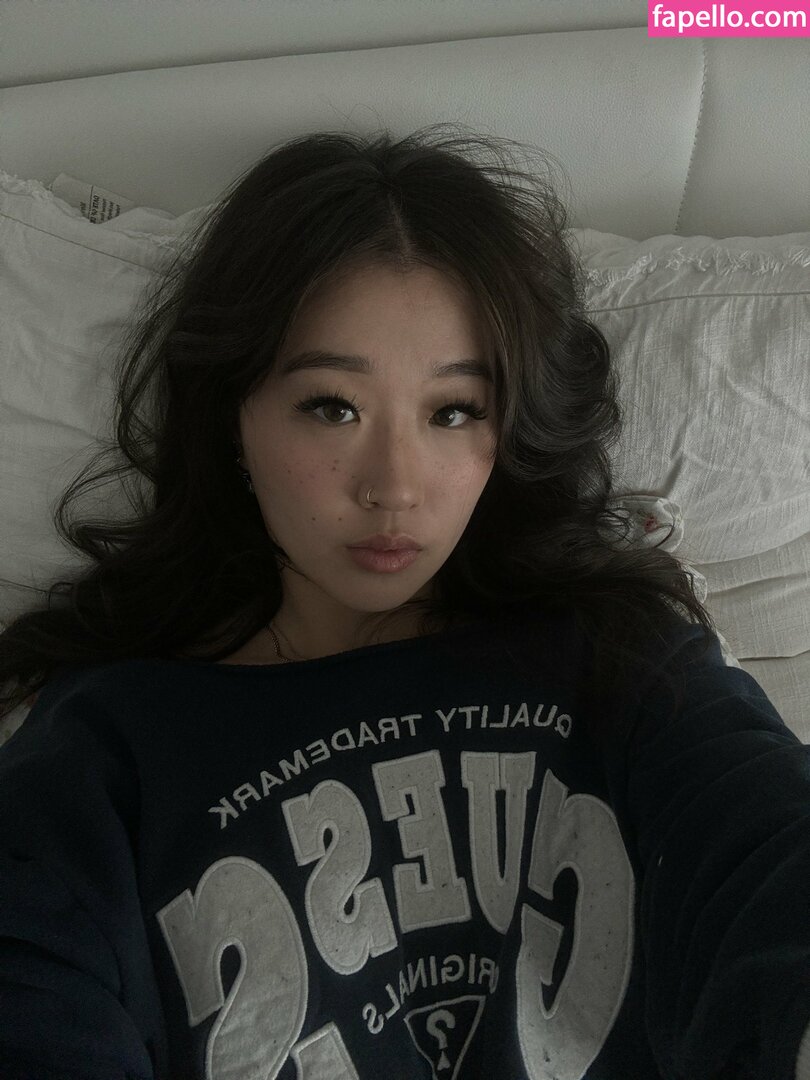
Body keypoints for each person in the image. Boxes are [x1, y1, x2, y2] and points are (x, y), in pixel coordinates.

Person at [0, 123, 807, 1080]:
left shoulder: (621, 661)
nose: (394, 485)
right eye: (331, 406)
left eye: (453, 411)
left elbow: (768, 853)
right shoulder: (107, 741)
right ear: (231, 417)